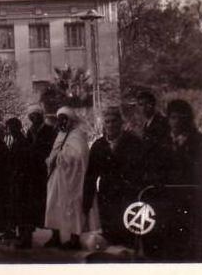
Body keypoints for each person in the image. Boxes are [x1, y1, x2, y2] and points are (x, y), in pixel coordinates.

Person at [82, 107, 145, 248]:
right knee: (110, 237)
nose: (110, 125)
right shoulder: (98, 146)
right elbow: (91, 174)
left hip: (128, 195)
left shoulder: (133, 142)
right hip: (107, 195)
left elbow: (141, 170)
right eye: (107, 122)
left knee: (128, 236)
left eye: (114, 121)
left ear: (120, 122)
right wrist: (86, 202)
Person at [159, 99, 202, 261]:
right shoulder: (162, 142)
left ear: (188, 120)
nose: (176, 122)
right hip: (167, 199)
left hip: (190, 199)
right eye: (173, 117)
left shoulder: (199, 141)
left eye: (181, 117)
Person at [44, 107, 97, 249]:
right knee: (53, 207)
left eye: (64, 119)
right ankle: (55, 237)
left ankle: (74, 240)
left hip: (73, 180)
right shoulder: (60, 135)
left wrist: (59, 157)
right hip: (57, 178)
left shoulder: (77, 135)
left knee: (73, 209)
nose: (61, 123)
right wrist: (51, 159)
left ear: (71, 121)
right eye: (59, 119)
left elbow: (79, 155)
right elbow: (54, 153)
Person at [4, 117, 37, 249]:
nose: (10, 131)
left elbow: (22, 163)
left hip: (22, 182)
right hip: (19, 181)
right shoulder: (19, 141)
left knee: (23, 211)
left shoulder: (21, 142)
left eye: (11, 128)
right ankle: (22, 236)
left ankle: (26, 239)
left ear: (16, 128)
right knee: (20, 211)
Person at [25, 105, 57, 236]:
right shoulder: (30, 131)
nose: (33, 118)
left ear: (40, 116)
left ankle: (55, 234)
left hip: (46, 169)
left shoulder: (49, 130)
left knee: (51, 202)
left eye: (36, 115)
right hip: (35, 171)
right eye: (31, 115)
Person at [137, 90, 171, 183]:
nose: (144, 108)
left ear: (153, 104)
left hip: (160, 170)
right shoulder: (146, 124)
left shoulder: (161, 122)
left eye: (147, 104)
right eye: (140, 105)